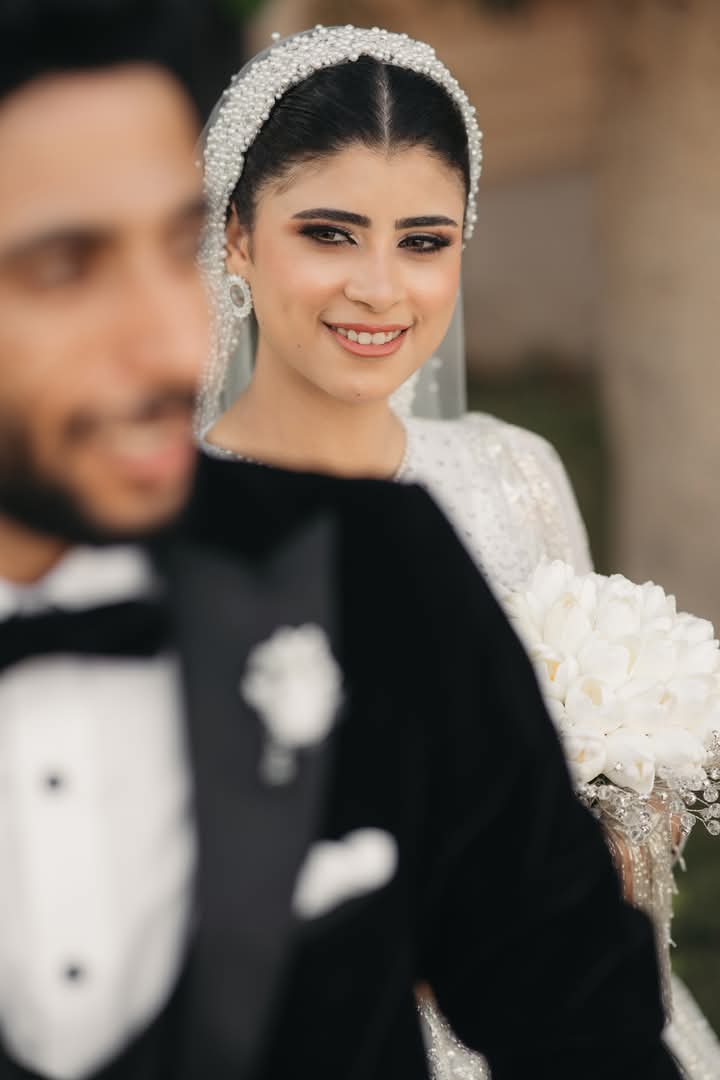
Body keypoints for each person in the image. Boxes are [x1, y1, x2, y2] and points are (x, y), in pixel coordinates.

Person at [0, 7, 678, 1078]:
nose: (167, 336)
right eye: (64, 265)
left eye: (169, 245)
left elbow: (576, 1008)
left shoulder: (389, 561)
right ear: (242, 238)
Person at [193, 24, 717, 1079]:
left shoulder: (514, 471)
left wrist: (632, 819)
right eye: (330, 234)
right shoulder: (181, 530)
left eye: (424, 241)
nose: (381, 288)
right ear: (237, 237)